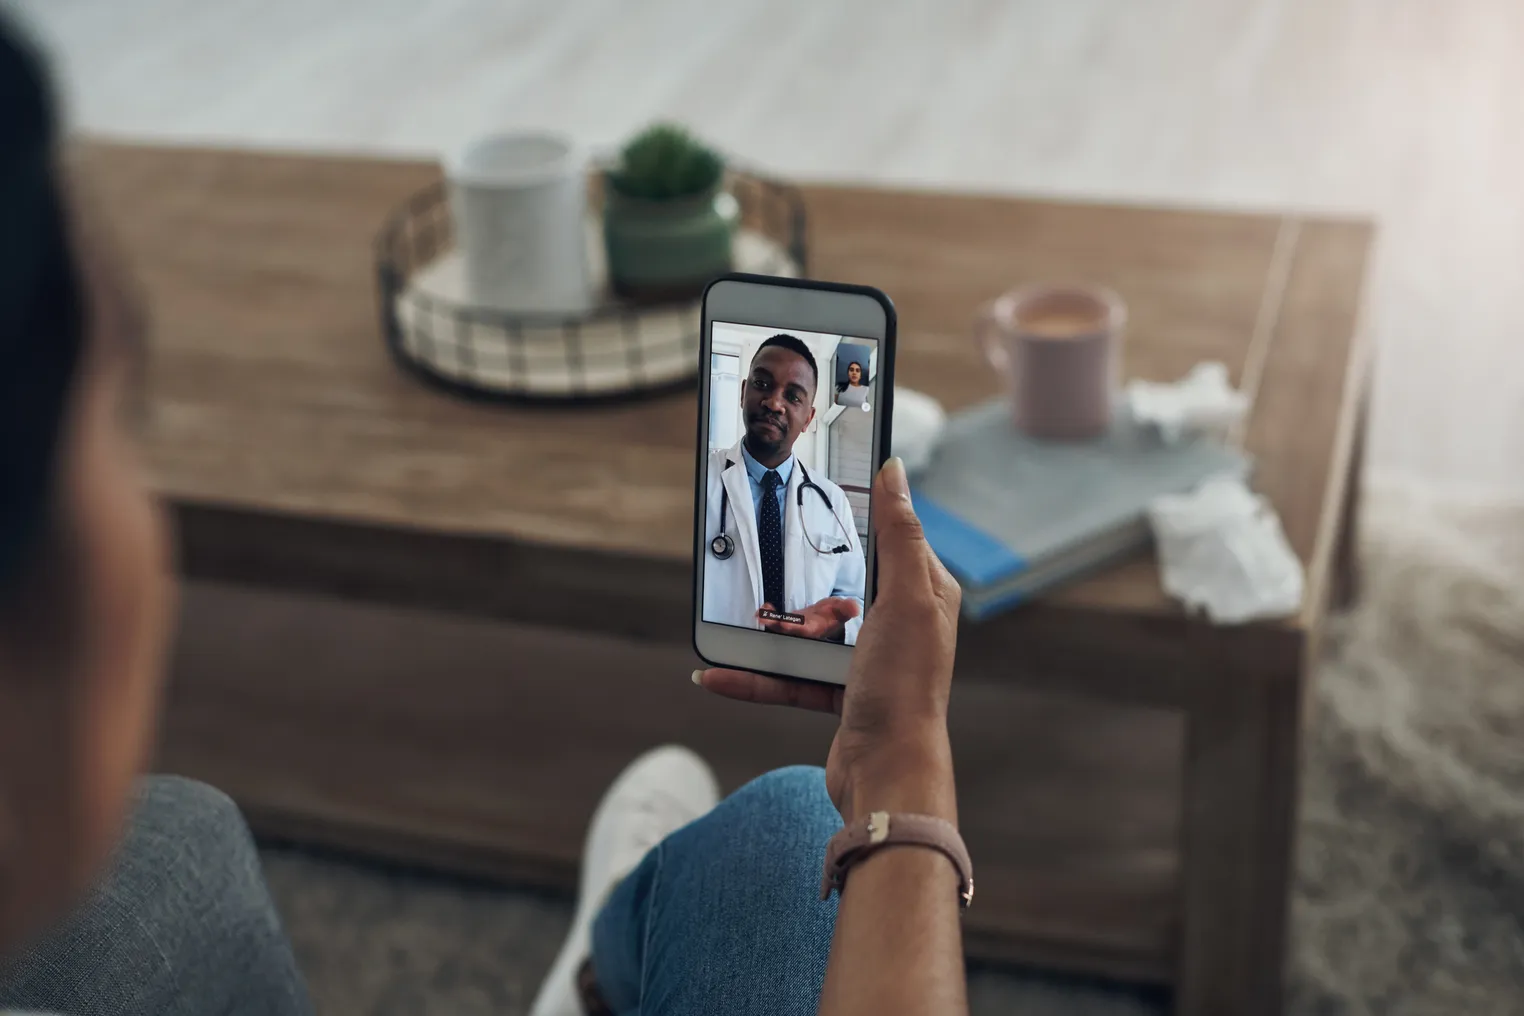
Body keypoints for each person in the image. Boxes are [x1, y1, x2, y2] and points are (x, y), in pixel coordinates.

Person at [0, 14, 969, 1016]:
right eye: (118, 410)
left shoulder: (821, 504)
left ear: (813, 413)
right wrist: (905, 760)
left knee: (178, 840)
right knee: (784, 821)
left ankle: (604, 969)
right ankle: (600, 979)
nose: (771, 403)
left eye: (791, 392)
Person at [703, 335, 867, 644]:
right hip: (717, 655)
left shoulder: (832, 501)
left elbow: (854, 599)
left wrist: (834, 628)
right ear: (743, 392)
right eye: (762, 384)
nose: (774, 403)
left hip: (804, 664)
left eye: (793, 396)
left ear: (808, 418)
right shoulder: (702, 478)